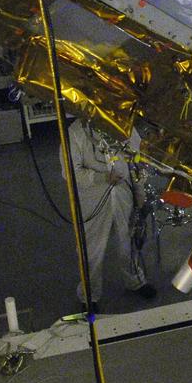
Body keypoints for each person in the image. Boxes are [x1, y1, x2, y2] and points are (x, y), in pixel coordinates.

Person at [66, 118, 155, 312]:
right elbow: (70, 172)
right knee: (92, 249)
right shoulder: (75, 133)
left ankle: (135, 281)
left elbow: (137, 162)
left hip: (124, 194)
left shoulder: (123, 125)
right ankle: (89, 295)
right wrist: (101, 177)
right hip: (93, 200)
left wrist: (140, 194)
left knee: (128, 240)